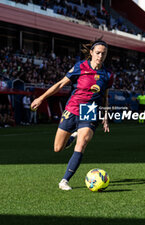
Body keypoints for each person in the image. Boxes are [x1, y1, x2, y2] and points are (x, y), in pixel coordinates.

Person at [31, 39, 113, 191]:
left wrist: (105, 117)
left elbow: (105, 97)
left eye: (104, 53)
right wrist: (41, 98)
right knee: (57, 148)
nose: (100, 56)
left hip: (89, 110)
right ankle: (72, 137)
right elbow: (60, 84)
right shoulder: (80, 67)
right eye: (97, 53)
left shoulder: (107, 74)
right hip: (72, 108)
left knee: (81, 144)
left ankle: (64, 180)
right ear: (91, 53)